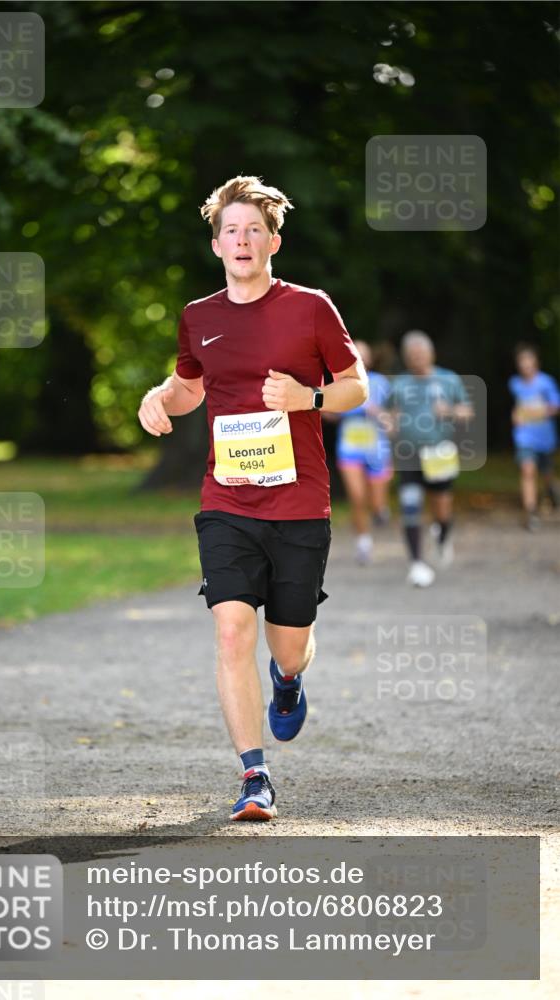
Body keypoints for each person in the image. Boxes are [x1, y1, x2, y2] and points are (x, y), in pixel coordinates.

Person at [138, 175, 367, 821]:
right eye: (230, 230)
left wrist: (308, 398)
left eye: (253, 230)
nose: (242, 240)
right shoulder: (198, 317)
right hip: (227, 498)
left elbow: (355, 387)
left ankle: (288, 680)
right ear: (216, 245)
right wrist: (158, 399)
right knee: (232, 629)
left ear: (273, 240)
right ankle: (253, 775)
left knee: (286, 643)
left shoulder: (310, 308)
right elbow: (188, 387)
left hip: (299, 500)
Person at [386, 330, 473, 588]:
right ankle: (416, 564)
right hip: (409, 454)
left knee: (442, 507)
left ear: (431, 354)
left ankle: (442, 534)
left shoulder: (448, 379)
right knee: (410, 507)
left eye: (421, 354)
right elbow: (390, 413)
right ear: (406, 358)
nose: (417, 359)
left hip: (440, 452)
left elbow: (467, 411)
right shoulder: (399, 384)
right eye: (412, 355)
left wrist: (451, 411)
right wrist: (390, 423)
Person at [327, 340, 392, 565]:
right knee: (357, 497)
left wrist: (379, 413)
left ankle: (379, 510)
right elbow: (329, 413)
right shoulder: (340, 382)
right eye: (356, 355)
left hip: (377, 449)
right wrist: (322, 404)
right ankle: (363, 543)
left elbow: (393, 417)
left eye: (364, 356)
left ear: (371, 359)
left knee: (377, 504)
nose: (360, 360)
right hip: (350, 448)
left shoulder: (381, 383)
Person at [508, 342, 560, 531]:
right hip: (524, 436)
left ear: (535, 361)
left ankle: (551, 491)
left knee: (546, 473)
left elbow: (555, 406)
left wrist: (536, 412)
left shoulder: (546, 382)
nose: (525, 365)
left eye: (528, 360)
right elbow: (518, 406)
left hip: (544, 436)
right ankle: (531, 513)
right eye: (521, 361)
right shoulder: (515, 383)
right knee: (527, 471)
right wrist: (516, 415)